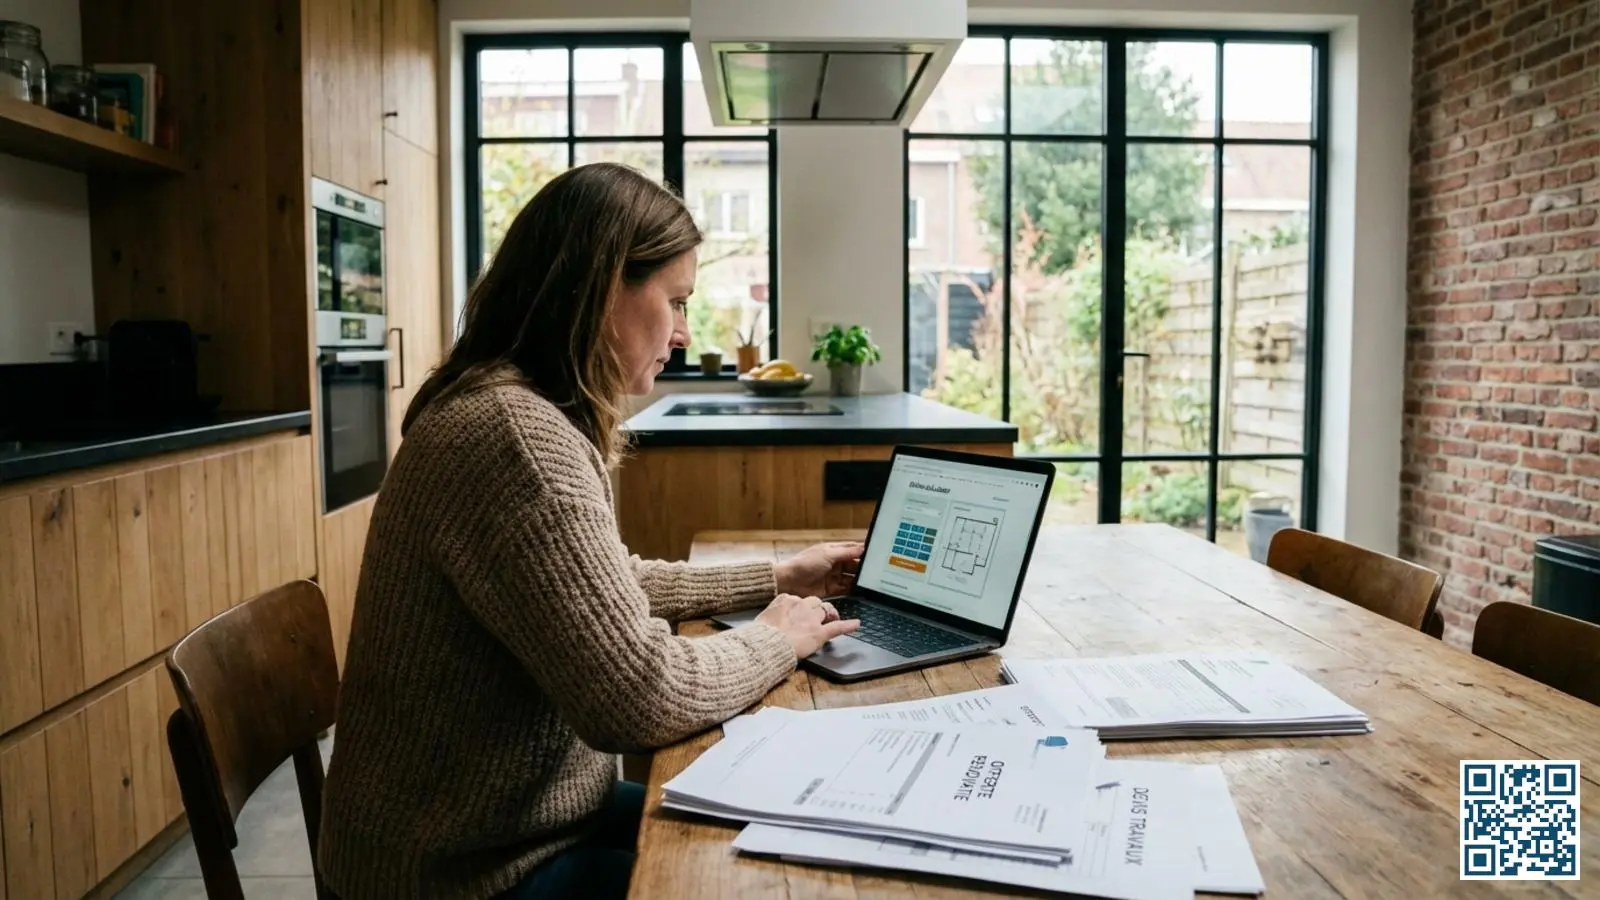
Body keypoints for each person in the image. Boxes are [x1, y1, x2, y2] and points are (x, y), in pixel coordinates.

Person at [316, 162, 863, 900]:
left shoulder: (516, 408)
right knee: (760, 876)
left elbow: (604, 585)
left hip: (521, 826)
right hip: (458, 872)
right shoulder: (514, 436)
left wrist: (778, 576)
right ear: (606, 288)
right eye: (676, 301)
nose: (683, 332)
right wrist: (776, 639)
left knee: (781, 837)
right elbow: (637, 696)